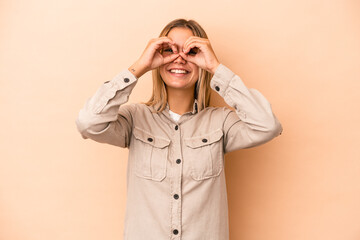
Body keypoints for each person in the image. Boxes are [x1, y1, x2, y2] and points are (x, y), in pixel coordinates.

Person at [75, 18, 283, 240]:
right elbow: (89, 122)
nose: (180, 59)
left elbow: (267, 125)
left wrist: (216, 67)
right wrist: (139, 67)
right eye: (169, 50)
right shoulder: (135, 118)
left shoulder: (221, 122)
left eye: (191, 51)